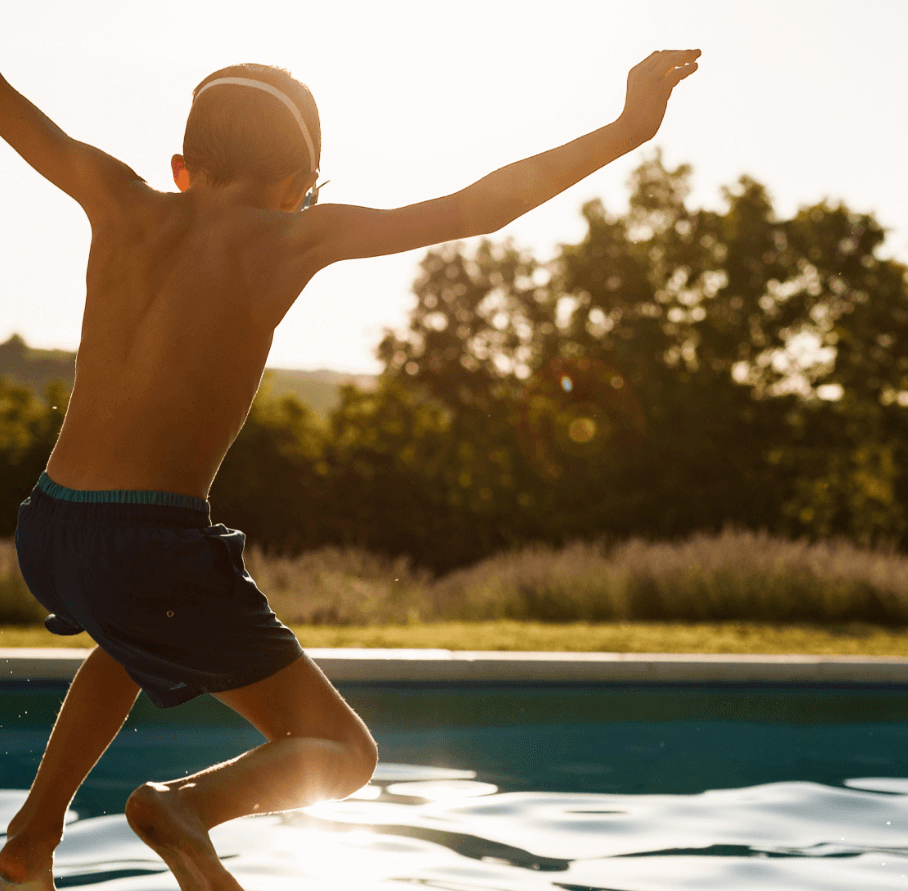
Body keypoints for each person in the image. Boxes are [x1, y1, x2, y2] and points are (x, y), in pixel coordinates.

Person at [0, 50, 699, 891]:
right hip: (151, 543)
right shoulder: (295, 232)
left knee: (127, 638)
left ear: (182, 168)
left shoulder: (115, 195)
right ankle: (183, 806)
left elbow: (17, 114)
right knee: (343, 751)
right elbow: (478, 207)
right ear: (300, 183)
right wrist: (629, 127)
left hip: (50, 526)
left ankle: (32, 836)